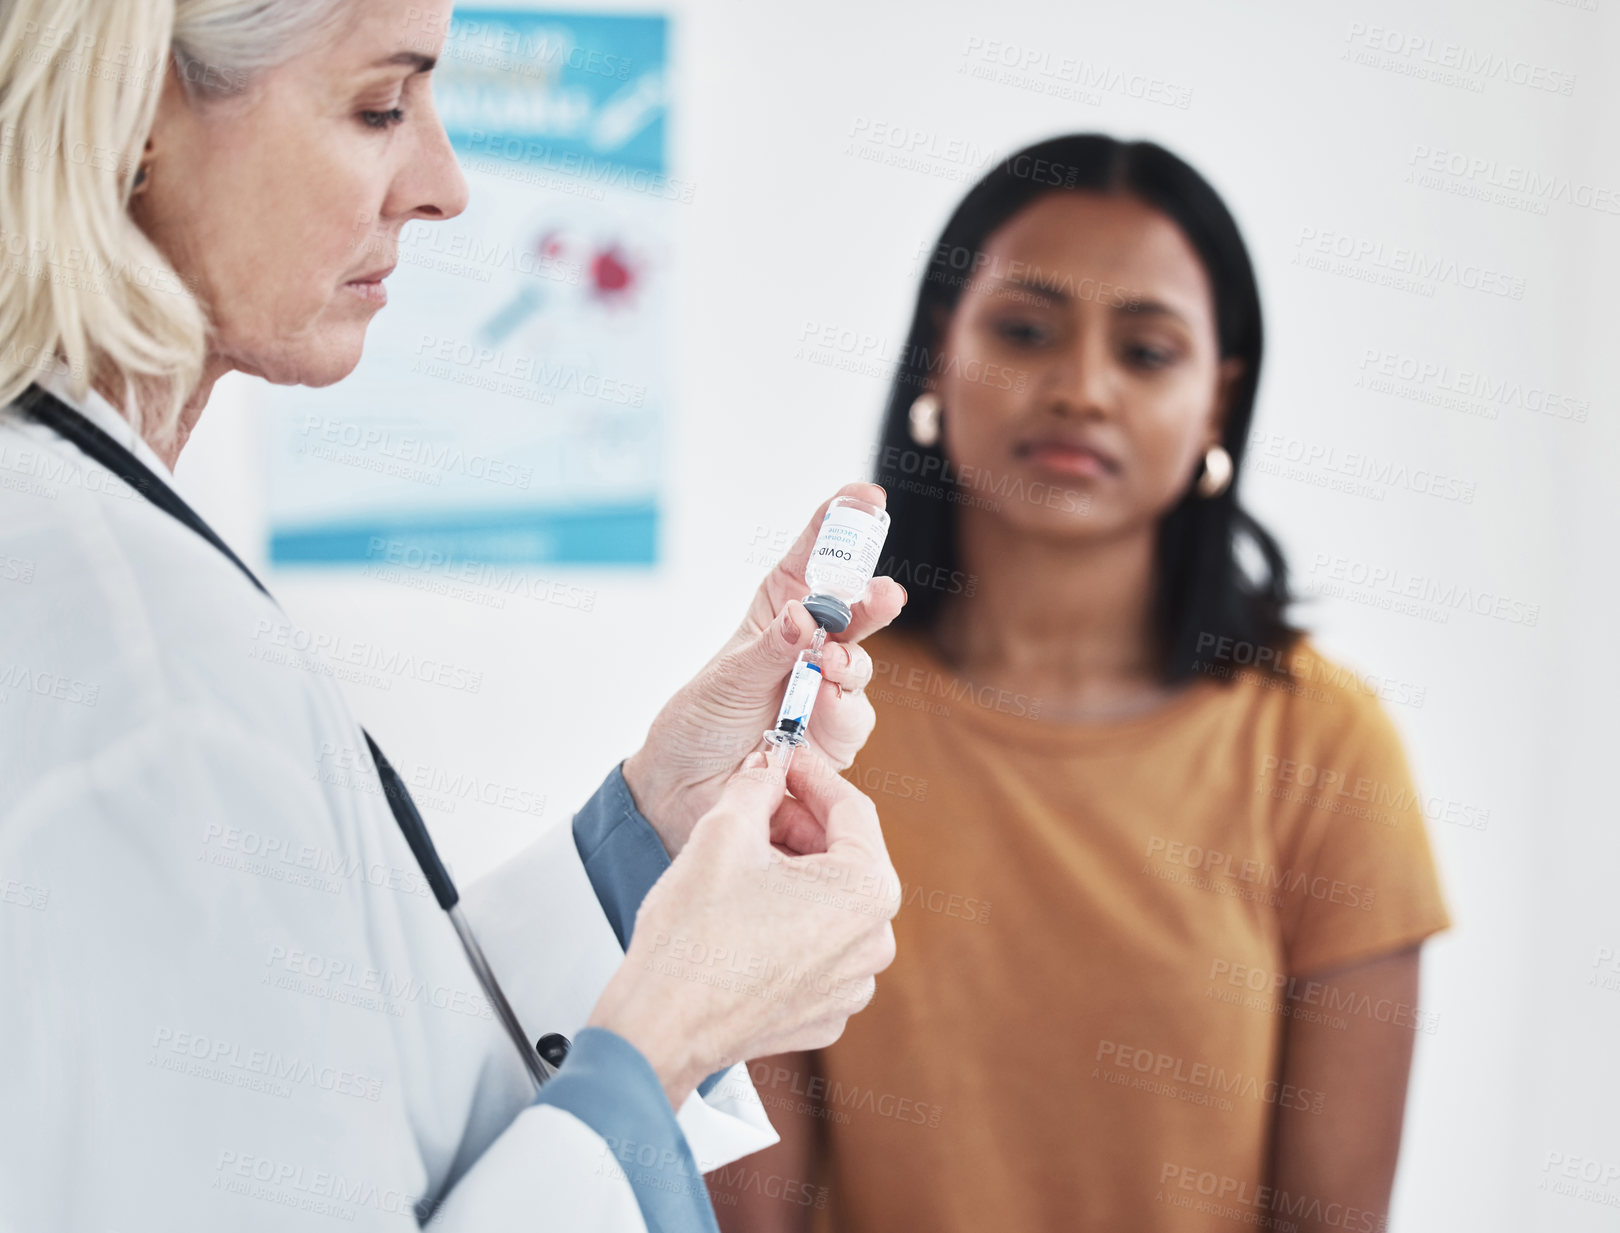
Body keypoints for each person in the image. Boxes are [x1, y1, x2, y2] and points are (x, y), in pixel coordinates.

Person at [0, 1, 905, 1229]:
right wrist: (673, 1033)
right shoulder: (137, 664)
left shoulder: (104, 551)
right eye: (381, 105)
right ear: (138, 119)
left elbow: (339, 1076)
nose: (445, 185)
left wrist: (653, 833)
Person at [714, 136, 1451, 1232]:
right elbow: (743, 1198)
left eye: (1147, 352)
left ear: (1217, 404)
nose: (1081, 388)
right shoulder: (819, 710)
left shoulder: (1326, 747)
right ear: (934, 360)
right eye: (1023, 331)